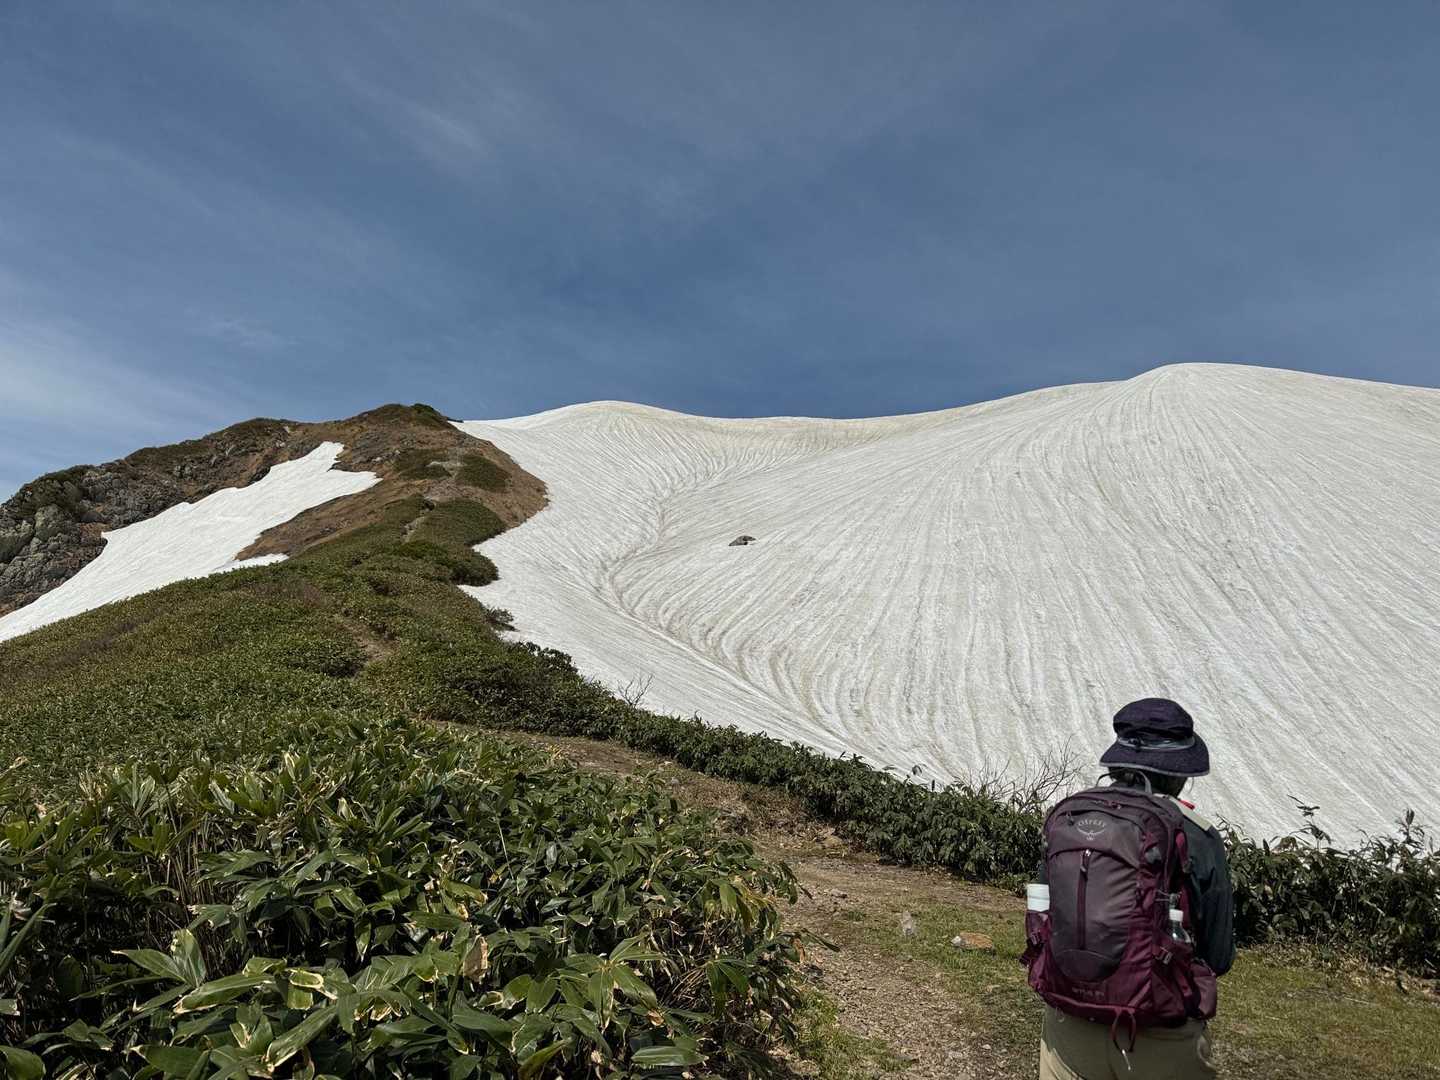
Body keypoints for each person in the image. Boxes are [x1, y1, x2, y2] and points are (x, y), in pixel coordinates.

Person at [1032, 698, 1235, 1080]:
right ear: (1180, 773)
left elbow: (1044, 914)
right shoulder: (1198, 836)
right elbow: (1218, 956)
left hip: (1068, 1021)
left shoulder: (1072, 819)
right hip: (1157, 1029)